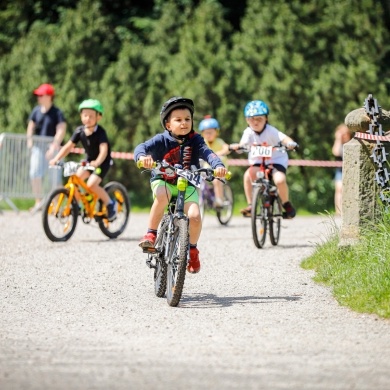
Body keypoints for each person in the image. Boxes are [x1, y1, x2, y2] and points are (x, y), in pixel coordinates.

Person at [134, 97, 227, 274]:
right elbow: (142, 147)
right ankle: (151, 234)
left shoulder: (196, 140)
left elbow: (209, 154)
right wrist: (142, 158)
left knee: (195, 216)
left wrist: (218, 166)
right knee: (162, 196)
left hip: (188, 185)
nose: (184, 123)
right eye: (178, 120)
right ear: (168, 125)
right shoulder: (161, 140)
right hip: (164, 181)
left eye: (187, 119)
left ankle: (192, 250)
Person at [49, 99, 117, 222]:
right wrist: (56, 158)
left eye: (91, 116)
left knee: (91, 184)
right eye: (85, 115)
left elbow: (104, 150)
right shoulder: (79, 131)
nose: (87, 118)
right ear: (81, 116)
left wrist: (97, 162)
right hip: (89, 161)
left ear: (99, 117)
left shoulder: (101, 132)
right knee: (75, 179)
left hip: (102, 162)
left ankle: (110, 204)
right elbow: (68, 146)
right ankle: (78, 206)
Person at [230, 100, 297, 218]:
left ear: (266, 119)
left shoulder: (271, 131)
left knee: (280, 180)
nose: (255, 122)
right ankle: (251, 205)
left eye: (259, 119)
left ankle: (286, 204)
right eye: (252, 119)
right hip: (258, 162)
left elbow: (284, 138)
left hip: (276, 161)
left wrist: (290, 143)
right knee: (247, 176)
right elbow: (242, 144)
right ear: (247, 120)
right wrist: (238, 147)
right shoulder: (248, 132)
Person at [26, 83, 67, 211]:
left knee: (55, 178)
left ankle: (56, 205)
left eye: (41, 95)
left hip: (53, 149)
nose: (38, 98)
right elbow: (31, 126)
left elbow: (61, 129)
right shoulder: (36, 111)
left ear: (49, 96)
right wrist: (29, 142)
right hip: (38, 148)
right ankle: (38, 202)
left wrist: (54, 146)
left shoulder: (57, 112)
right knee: (35, 173)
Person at [198, 115, 230, 207]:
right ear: (202, 133)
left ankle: (219, 199)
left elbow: (226, 148)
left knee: (216, 180)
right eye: (206, 133)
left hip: (219, 170)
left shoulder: (219, 141)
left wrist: (221, 152)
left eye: (210, 132)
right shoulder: (202, 142)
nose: (208, 135)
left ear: (216, 132)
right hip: (205, 168)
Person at [332, 123, 352, 216]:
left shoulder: (352, 144)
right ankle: (338, 211)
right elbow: (336, 152)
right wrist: (338, 139)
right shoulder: (339, 144)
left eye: (344, 133)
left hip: (351, 170)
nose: (343, 136)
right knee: (339, 189)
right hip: (340, 170)